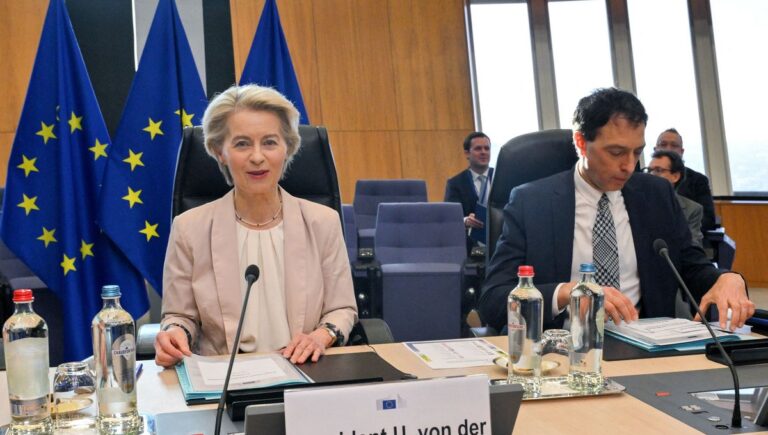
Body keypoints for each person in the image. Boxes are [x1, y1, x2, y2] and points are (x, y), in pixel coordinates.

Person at [479, 88, 754, 332]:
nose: (629, 166)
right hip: (561, 349)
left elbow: (691, 266)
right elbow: (493, 300)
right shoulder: (532, 202)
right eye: (616, 152)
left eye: (637, 152)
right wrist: (565, 293)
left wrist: (726, 278)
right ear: (581, 142)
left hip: (644, 347)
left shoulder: (656, 195)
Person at [154, 84, 358, 368]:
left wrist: (320, 337)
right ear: (219, 151)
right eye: (242, 144)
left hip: (305, 371)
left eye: (270, 142)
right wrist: (175, 333)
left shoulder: (323, 222)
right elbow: (179, 316)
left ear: (287, 148)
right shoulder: (189, 228)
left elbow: (342, 308)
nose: (258, 157)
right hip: (224, 378)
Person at [654, 128, 716, 232]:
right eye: (663, 145)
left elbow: (707, 220)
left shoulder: (698, 181)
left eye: (674, 146)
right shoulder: (642, 180)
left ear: (681, 152)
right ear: (655, 149)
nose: (668, 149)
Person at [444, 132, 494, 250]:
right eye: (478, 149)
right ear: (467, 153)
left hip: (502, 243)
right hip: (473, 247)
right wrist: (466, 220)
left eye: (487, 148)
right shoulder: (455, 183)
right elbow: (450, 216)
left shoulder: (502, 177)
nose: (483, 152)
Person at [645, 150, 704, 248]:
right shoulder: (636, 203)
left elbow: (693, 245)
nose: (651, 175)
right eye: (649, 170)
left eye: (658, 170)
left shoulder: (692, 209)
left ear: (675, 176)